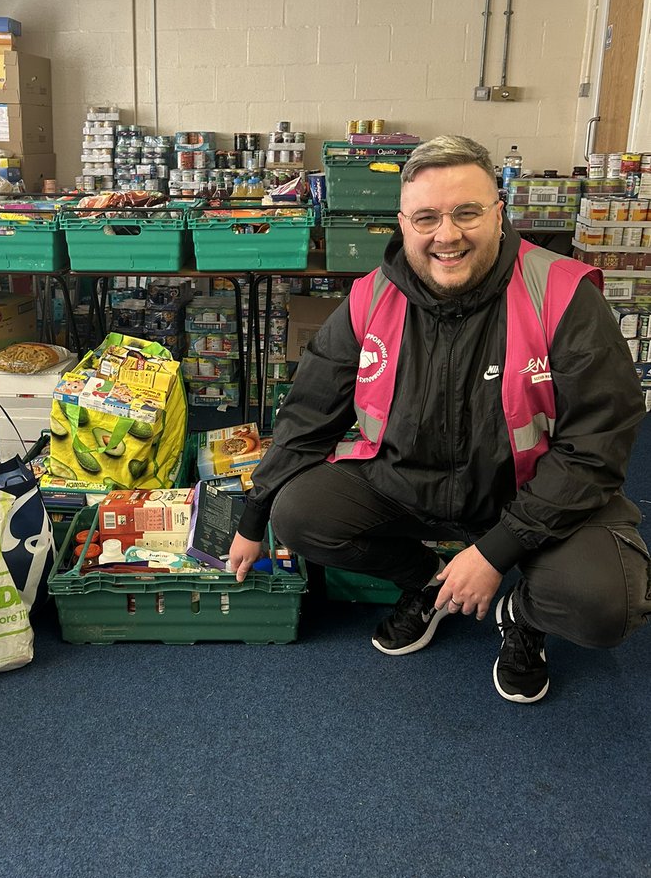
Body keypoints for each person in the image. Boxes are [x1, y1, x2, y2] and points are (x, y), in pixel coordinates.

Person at [228, 135, 650, 704]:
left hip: (531, 494)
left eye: (467, 213)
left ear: (499, 213)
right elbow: (308, 415)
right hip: (409, 484)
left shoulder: (563, 293)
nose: (446, 235)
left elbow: (596, 449)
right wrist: (254, 516)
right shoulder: (368, 299)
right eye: (426, 217)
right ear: (402, 224)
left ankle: (523, 616)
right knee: (298, 515)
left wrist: (498, 551)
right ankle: (427, 580)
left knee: (608, 603)